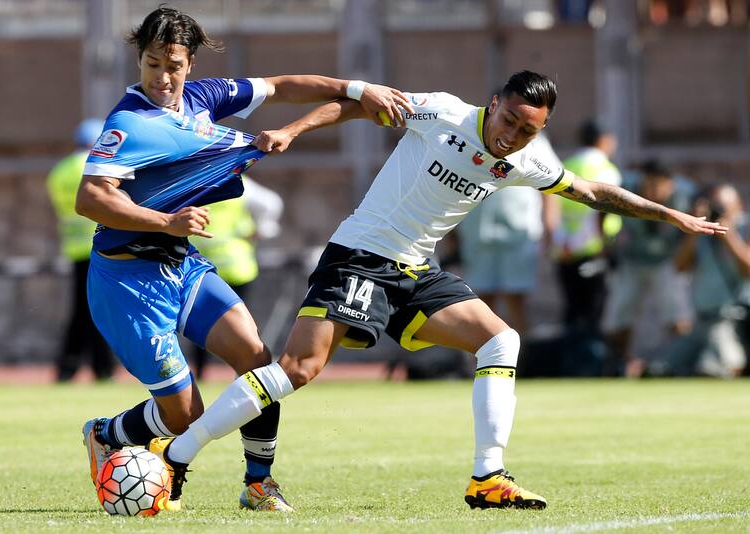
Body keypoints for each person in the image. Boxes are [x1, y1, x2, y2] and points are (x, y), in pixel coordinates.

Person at [149, 70, 726, 510]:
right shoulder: (443, 111)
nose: (513, 138)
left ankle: (487, 476)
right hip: (360, 255)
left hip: (416, 271)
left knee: (501, 342)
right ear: (494, 103)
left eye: (529, 132)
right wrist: (294, 129)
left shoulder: (518, 162)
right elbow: (357, 105)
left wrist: (671, 216)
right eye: (510, 123)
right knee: (298, 369)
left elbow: (595, 193)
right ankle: (176, 455)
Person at [75, 6, 412, 513]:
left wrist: (357, 89)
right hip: (127, 282)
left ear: (190, 64)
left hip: (180, 268)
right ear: (138, 62)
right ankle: (107, 433)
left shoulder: (202, 99)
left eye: (173, 65)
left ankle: (259, 483)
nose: (163, 78)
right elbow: (91, 198)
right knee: (183, 415)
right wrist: (166, 221)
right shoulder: (129, 123)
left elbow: (280, 86)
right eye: (151, 65)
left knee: (256, 363)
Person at [457, 132, 560, 335]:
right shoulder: (471, 135)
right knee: (479, 304)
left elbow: (551, 186)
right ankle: (480, 363)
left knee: (516, 300)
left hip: (519, 235)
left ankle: (520, 364)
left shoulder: (536, 141)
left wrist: (550, 228)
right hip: (478, 235)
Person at [545, 119, 622, 375]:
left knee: (571, 311)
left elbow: (551, 208)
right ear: (604, 140)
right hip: (593, 250)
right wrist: (604, 245)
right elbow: (603, 207)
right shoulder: (605, 168)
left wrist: (555, 242)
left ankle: (571, 365)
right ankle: (591, 366)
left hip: (565, 250)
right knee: (593, 313)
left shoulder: (568, 165)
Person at [601, 160, 692, 377]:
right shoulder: (626, 189)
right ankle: (618, 363)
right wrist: (606, 244)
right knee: (619, 315)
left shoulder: (685, 196)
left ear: (671, 185)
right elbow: (601, 210)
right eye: (649, 185)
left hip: (666, 261)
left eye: (659, 186)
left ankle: (683, 360)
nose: (654, 192)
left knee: (676, 314)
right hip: (632, 260)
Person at [187, 175, 284, 379]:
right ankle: (246, 374)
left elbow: (271, 203)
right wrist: (261, 231)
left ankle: (202, 374)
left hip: (207, 267)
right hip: (235, 264)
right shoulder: (239, 181)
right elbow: (271, 204)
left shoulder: (195, 179)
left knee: (201, 323)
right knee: (242, 324)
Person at [653, 184, 750, 377]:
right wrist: (694, 231)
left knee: (714, 369)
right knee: (663, 368)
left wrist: (729, 236)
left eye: (722, 207)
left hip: (730, 317)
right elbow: (679, 267)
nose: (717, 212)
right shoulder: (703, 235)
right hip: (700, 320)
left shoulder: (745, 227)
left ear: (738, 207)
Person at [46, 118, 114, 382]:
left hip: (75, 249)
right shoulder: (96, 166)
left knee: (79, 312)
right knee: (101, 312)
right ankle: (103, 369)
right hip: (101, 247)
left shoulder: (60, 171)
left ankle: (67, 367)